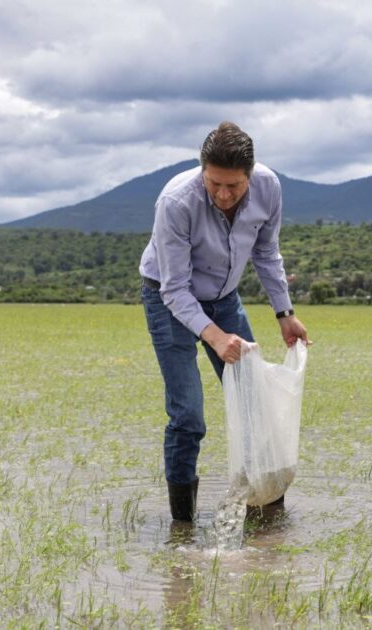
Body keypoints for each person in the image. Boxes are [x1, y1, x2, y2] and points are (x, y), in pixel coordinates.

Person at [139, 121, 309, 522]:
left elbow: (267, 253)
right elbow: (175, 290)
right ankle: (182, 525)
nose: (223, 194)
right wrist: (215, 338)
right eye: (214, 183)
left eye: (234, 185)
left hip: (224, 298)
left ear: (250, 175)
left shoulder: (269, 187)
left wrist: (285, 314)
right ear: (203, 171)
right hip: (168, 300)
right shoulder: (176, 203)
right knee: (188, 415)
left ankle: (266, 511)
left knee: (256, 402)